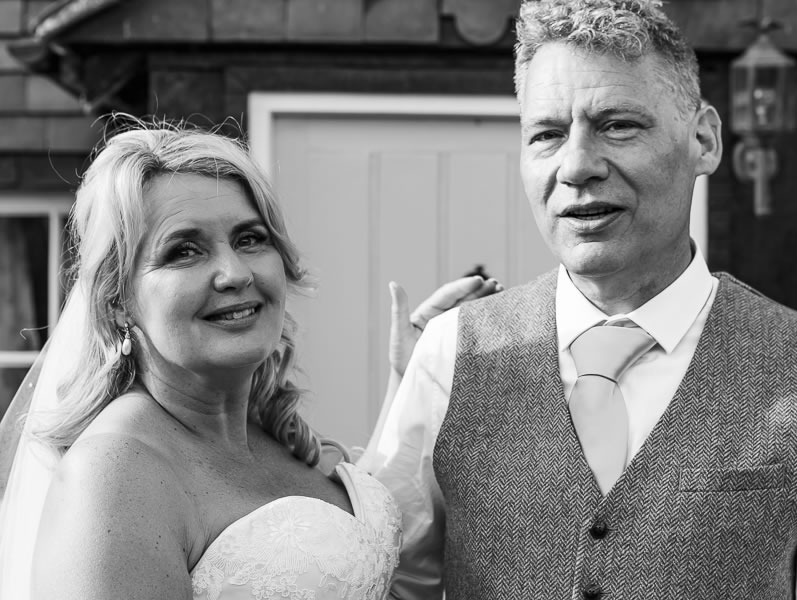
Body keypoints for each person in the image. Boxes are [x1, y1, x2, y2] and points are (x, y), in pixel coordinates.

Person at [359, 0, 797, 598]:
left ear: (703, 140)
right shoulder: (451, 354)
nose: (576, 166)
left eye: (617, 125)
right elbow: (388, 583)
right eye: (547, 134)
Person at [0, 121, 499, 600]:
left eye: (250, 239)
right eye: (184, 251)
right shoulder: (114, 474)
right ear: (117, 301)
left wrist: (407, 379)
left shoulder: (265, 433)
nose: (235, 273)